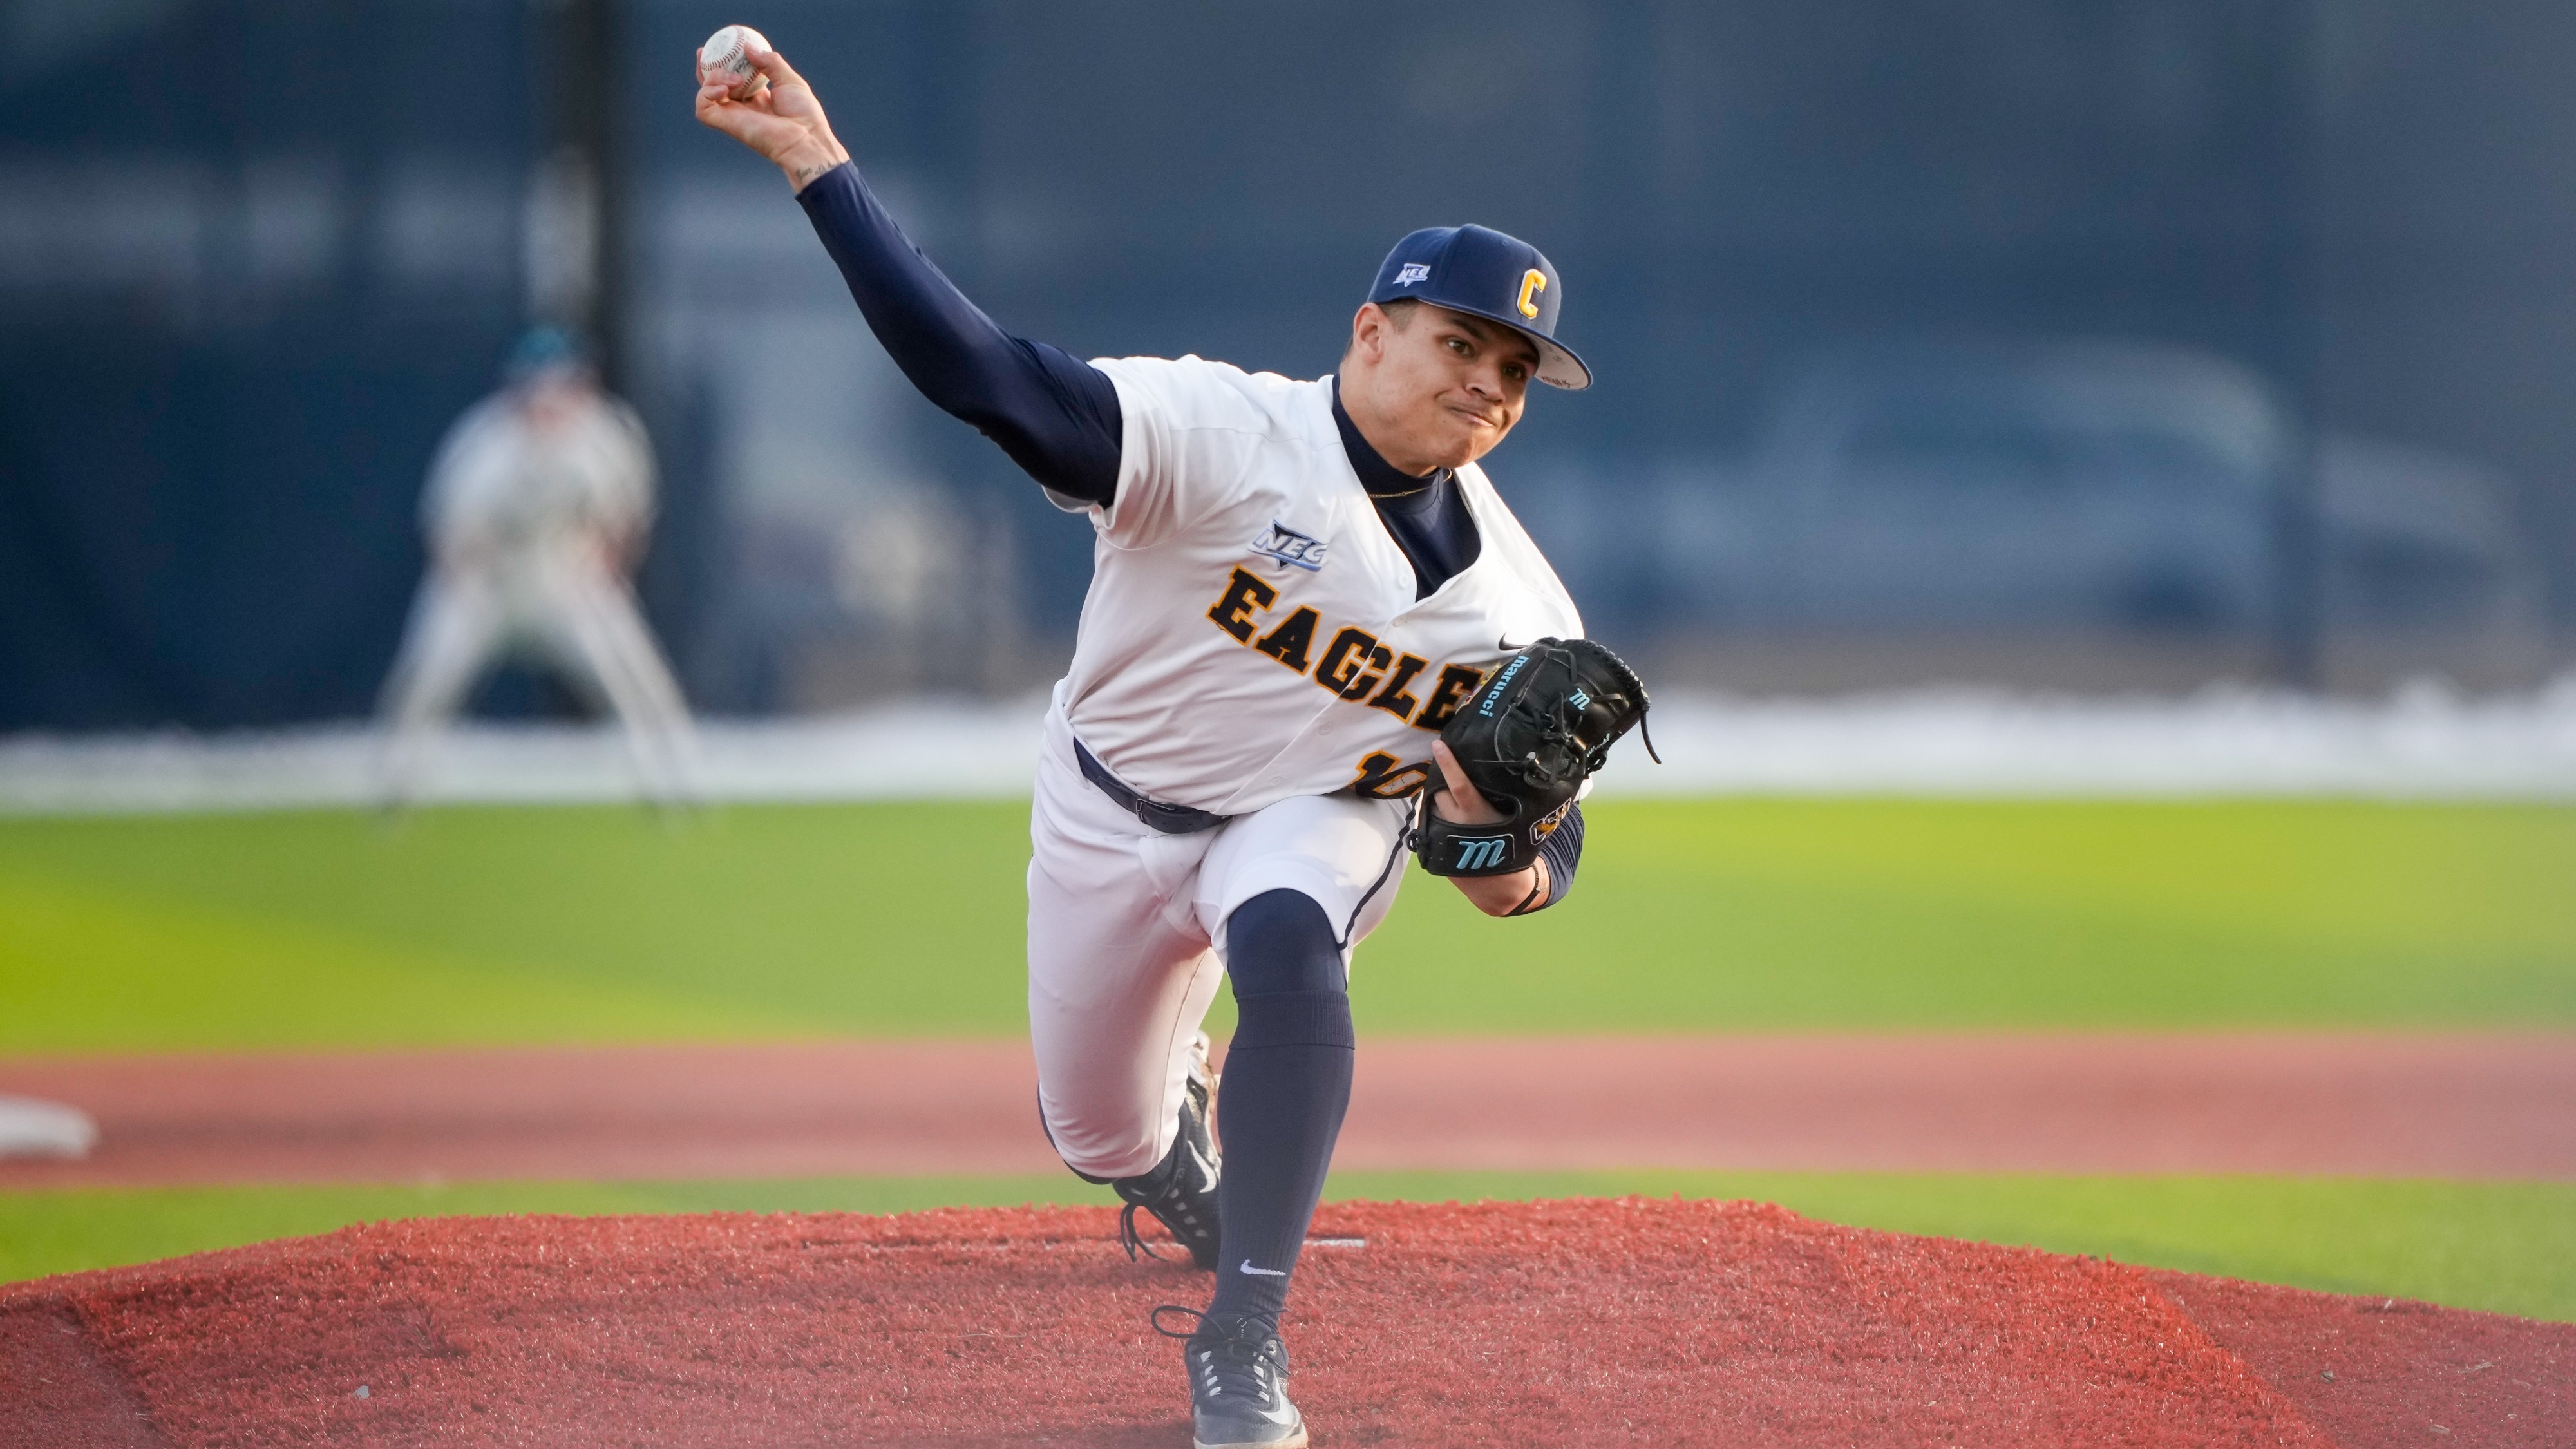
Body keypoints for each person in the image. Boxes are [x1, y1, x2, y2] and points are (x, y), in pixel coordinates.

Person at [699, 41, 1596, 1449]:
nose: (1487, 383)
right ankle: (1172, 1163)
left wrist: (1503, 857)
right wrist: (822, 170)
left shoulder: (1519, 609)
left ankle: (1241, 1341)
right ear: (1369, 332)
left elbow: (1542, 854)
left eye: (1515, 371)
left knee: (1295, 937)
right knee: (1091, 1134)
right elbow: (980, 374)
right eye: (1459, 344)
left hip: (1299, 817)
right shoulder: (1220, 432)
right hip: (1105, 806)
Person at [376, 328, 695, 806]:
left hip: (565, 575)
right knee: (427, 675)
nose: (554, 405)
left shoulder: (604, 436)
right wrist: (469, 578)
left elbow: (630, 514)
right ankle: (394, 784)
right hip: (487, 582)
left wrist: (608, 561)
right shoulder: (485, 442)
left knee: (632, 672)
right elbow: (446, 531)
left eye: (567, 387)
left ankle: (673, 781)